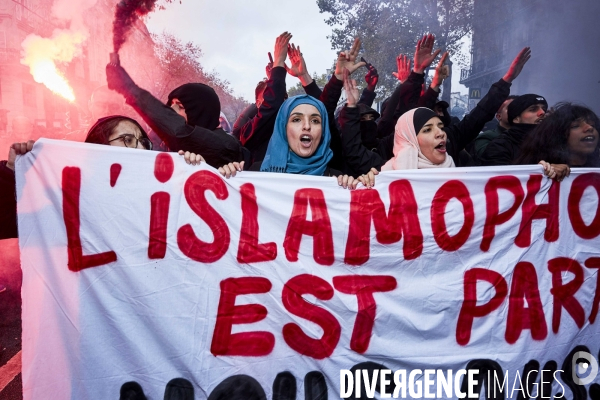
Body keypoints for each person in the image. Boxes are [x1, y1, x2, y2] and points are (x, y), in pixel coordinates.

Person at [0, 116, 204, 240]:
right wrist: (10, 172)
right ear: (100, 147)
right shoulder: (74, 201)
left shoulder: (161, 195)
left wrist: (195, 174)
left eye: (143, 141)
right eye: (127, 139)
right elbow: (9, 224)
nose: (140, 147)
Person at [339, 47, 530, 174]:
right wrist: (352, 106)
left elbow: (477, 117)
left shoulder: (451, 147)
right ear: (411, 138)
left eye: (440, 126)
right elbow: (354, 149)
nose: (440, 133)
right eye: (427, 129)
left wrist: (505, 82)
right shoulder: (383, 169)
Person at [106, 56, 244, 168]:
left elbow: (179, 131)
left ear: (201, 113)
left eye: (180, 106)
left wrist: (129, 89)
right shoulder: (163, 143)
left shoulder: (227, 147)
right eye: (171, 105)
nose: (172, 111)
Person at [219, 95, 375, 189]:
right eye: (297, 119)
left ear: (323, 132)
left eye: (315, 120)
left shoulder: (336, 180)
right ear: (284, 128)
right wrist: (227, 179)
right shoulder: (256, 173)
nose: (307, 126)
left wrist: (361, 188)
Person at [515, 102, 600, 180]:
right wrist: (541, 173)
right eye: (575, 126)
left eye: (593, 124)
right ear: (559, 136)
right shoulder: (543, 172)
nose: (589, 128)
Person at [479, 92, 548, 166]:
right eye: (533, 109)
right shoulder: (500, 145)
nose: (542, 112)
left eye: (544, 109)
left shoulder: (552, 141)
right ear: (516, 118)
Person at [468, 95, 517, 163]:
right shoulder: (486, 138)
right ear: (499, 116)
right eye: (511, 108)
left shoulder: (532, 136)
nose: (517, 111)